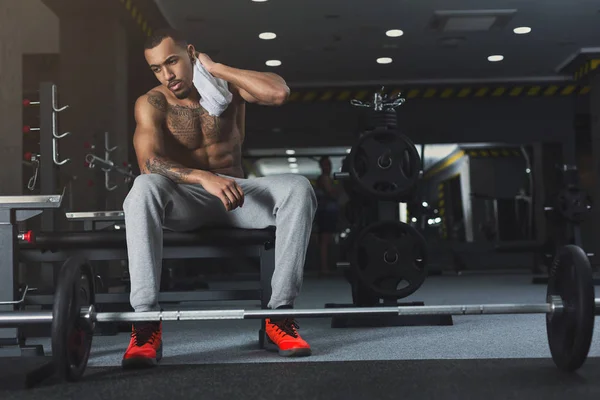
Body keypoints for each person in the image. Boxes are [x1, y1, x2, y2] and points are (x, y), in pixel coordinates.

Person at [121, 28, 317, 369]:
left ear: (191, 53)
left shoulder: (227, 88)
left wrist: (215, 68)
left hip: (238, 196)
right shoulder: (153, 102)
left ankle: (280, 315)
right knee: (142, 188)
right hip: (186, 197)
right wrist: (202, 177)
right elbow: (148, 161)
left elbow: (278, 93)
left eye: (172, 62)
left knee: (299, 187)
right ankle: (146, 322)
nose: (167, 75)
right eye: (156, 68)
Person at [314, 156, 340, 275]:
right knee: (324, 240)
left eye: (329, 164)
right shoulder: (324, 179)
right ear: (321, 166)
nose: (328, 167)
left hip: (328, 213)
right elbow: (332, 193)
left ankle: (325, 266)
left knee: (326, 240)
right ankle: (324, 267)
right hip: (326, 214)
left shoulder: (326, 178)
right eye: (325, 164)